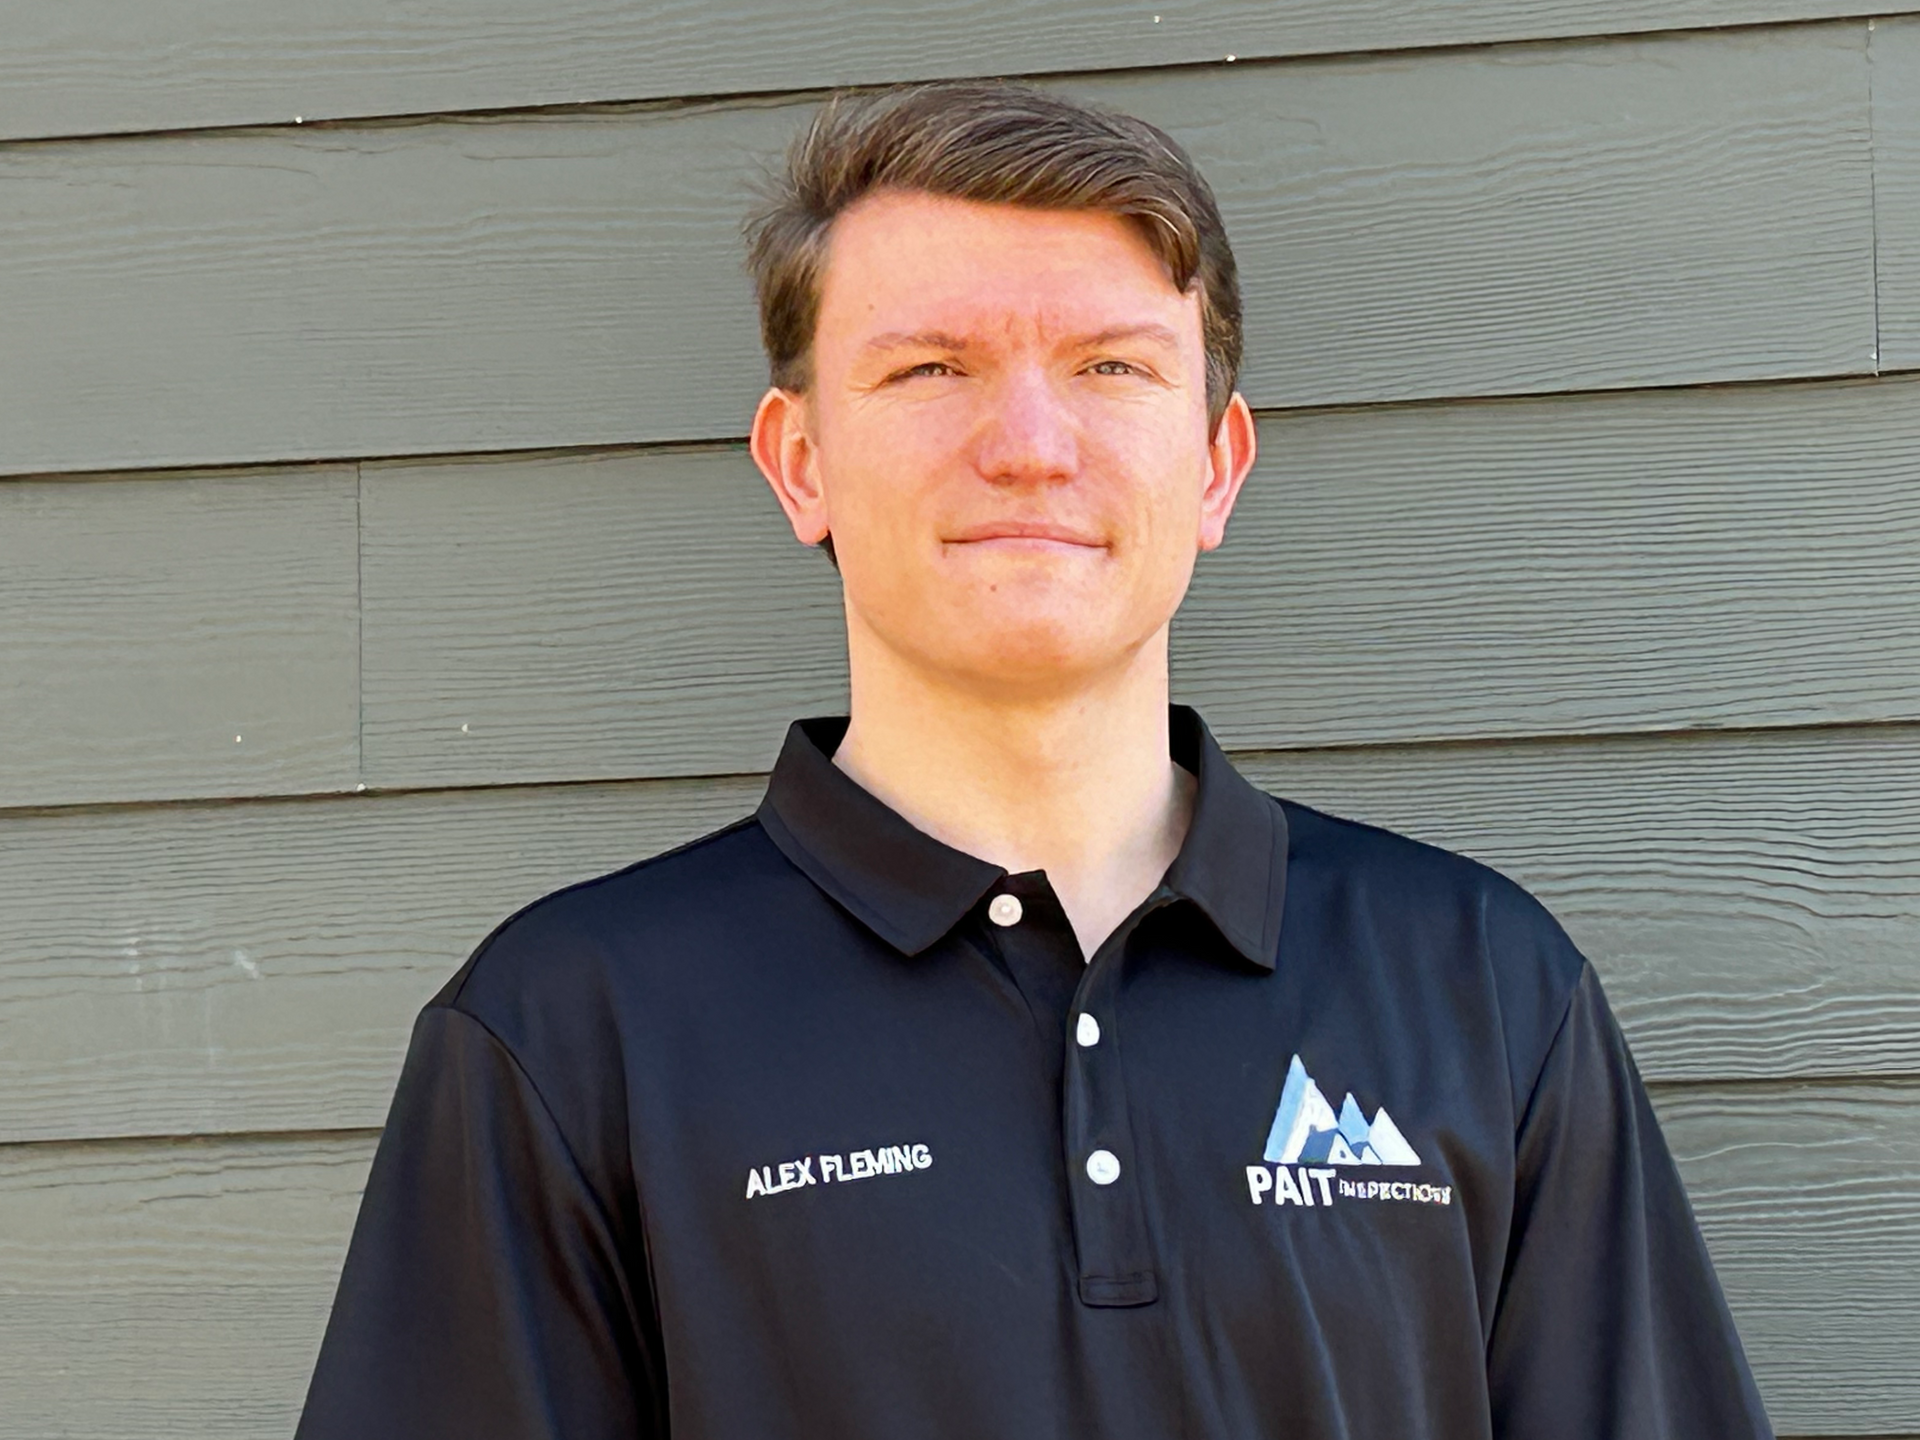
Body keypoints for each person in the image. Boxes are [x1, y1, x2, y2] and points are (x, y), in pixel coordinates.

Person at [295, 81, 1774, 1439]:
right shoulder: (569, 1036)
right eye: (932, 366)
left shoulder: (1484, 989)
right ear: (800, 460)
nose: (1028, 442)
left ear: (1217, 465)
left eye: (1112, 366)